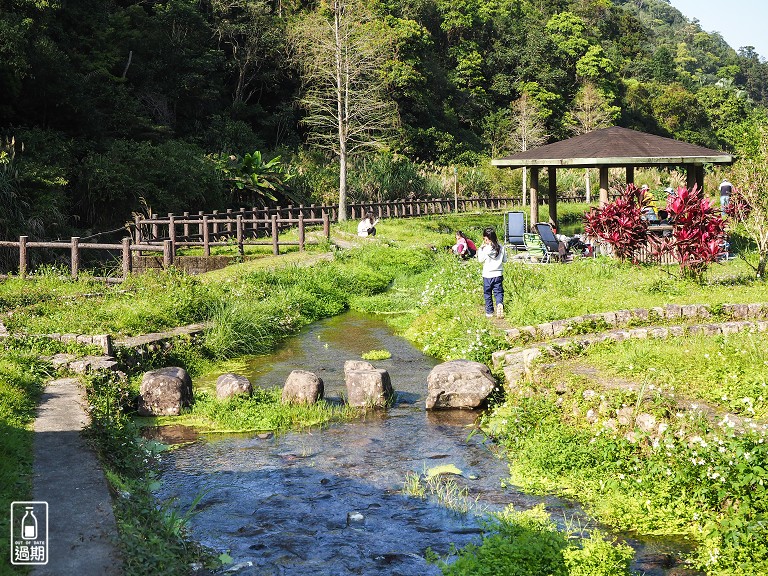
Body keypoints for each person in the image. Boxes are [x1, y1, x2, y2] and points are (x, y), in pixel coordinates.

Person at [477, 226, 507, 318]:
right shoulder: (501, 247)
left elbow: (480, 260)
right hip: (498, 274)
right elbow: (505, 260)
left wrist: (480, 249)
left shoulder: (485, 249)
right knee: (498, 292)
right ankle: (499, 303)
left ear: (486, 239)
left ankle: (489, 312)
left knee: (487, 293)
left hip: (487, 275)